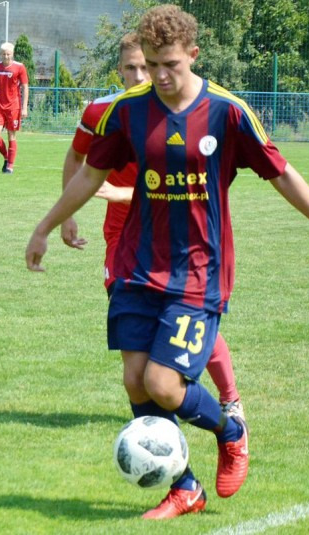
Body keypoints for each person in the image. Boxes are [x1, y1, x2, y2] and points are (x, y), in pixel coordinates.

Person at [26, 4, 309, 519]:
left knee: (163, 384)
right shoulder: (128, 111)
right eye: (152, 65)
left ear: (193, 54)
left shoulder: (228, 112)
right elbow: (90, 174)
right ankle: (185, 487)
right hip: (138, 265)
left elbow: (281, 174)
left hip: (198, 271)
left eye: (171, 65)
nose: (160, 76)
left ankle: (231, 431)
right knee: (135, 380)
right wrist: (45, 226)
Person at [60, 33, 246, 425]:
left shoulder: (181, 111)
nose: (141, 76)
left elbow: (183, 188)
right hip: (121, 238)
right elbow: (76, 157)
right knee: (136, 334)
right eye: (132, 68)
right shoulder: (104, 112)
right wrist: (67, 215)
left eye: (147, 66)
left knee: (183, 319)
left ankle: (229, 400)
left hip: (174, 236)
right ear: (119, 70)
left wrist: (122, 193)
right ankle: (165, 431)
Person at [0, 42, 29, 174]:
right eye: (3, 54)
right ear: (0, 54)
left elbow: (25, 87)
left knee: (11, 135)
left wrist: (24, 107)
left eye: (8, 54)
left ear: (12, 54)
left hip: (14, 107)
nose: (6, 56)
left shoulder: (20, 67)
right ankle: (6, 157)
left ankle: (10, 166)